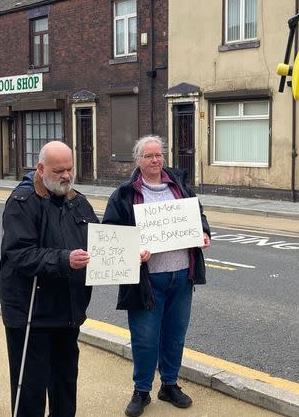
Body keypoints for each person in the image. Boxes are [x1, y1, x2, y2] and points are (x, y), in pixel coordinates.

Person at [102, 135, 211, 417]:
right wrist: (132, 250)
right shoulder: (124, 194)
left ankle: (169, 385)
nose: (155, 160)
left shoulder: (180, 187)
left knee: (175, 336)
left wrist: (204, 232)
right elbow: (111, 236)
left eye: (159, 155)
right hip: (146, 281)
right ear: (138, 160)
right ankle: (141, 390)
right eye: (149, 156)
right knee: (145, 338)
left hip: (181, 277)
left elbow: (198, 214)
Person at [0, 141, 98, 417]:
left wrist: (128, 254)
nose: (66, 176)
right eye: (59, 171)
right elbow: (19, 255)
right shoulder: (23, 202)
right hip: (33, 314)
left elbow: (100, 243)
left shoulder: (77, 201)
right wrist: (64, 259)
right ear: (40, 169)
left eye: (70, 169)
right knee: (30, 390)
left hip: (67, 312)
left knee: (65, 384)